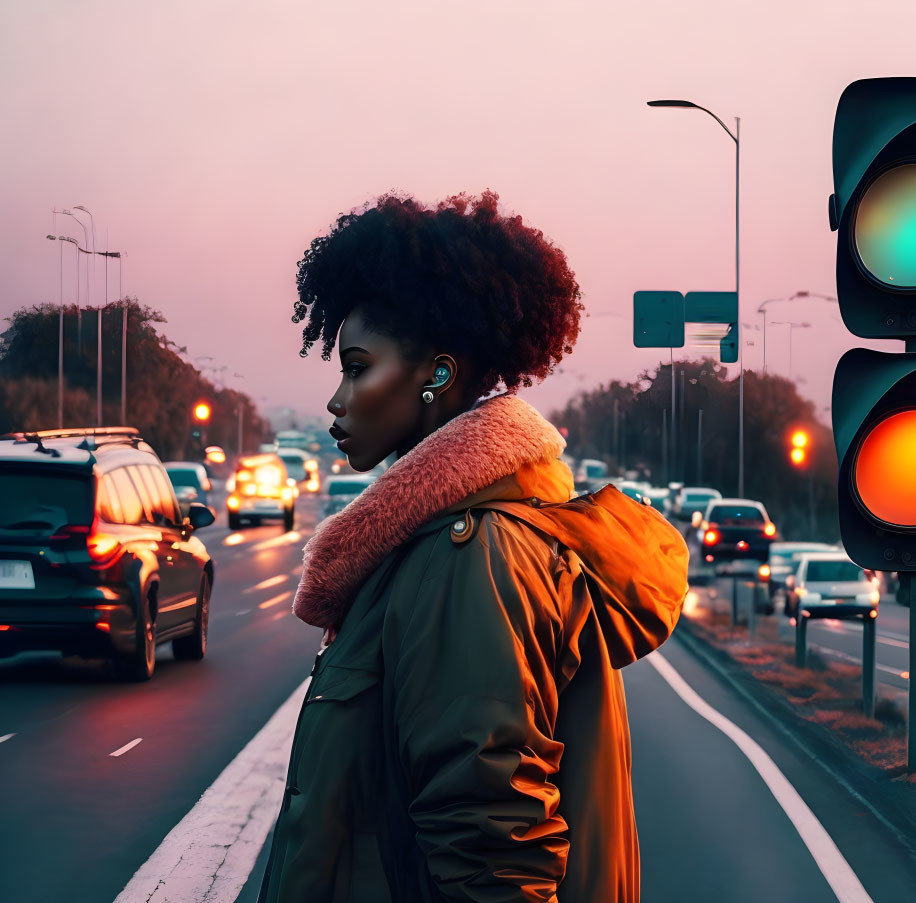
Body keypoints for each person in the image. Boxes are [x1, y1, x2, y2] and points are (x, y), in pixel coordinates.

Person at [257, 190, 689, 902]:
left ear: (435, 374)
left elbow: (493, 849)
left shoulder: (470, 555)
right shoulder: (449, 539)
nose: (336, 399)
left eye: (358, 367)